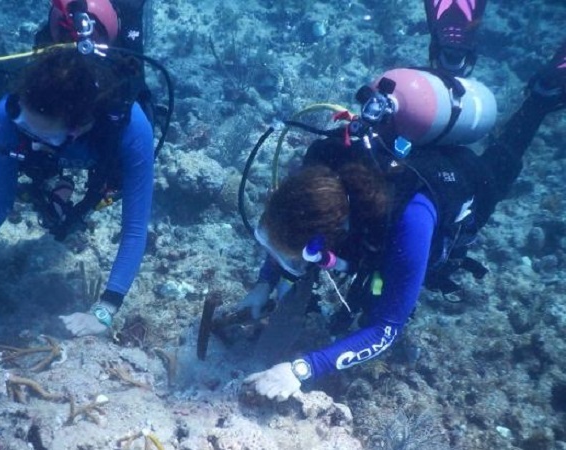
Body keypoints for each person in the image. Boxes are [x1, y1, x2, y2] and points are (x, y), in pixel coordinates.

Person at [241, 0, 566, 400]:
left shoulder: (411, 222)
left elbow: (386, 329)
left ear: (333, 234)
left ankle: (542, 95)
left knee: (501, 163)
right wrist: (264, 283)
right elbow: (287, 229)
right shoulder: (321, 162)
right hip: (399, 157)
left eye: (303, 253)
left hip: (454, 181)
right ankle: (451, 55)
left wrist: (302, 369)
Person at [0, 0, 156, 337]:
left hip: (103, 140)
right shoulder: (9, 112)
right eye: (24, 125)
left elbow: (134, 229)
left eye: (44, 135)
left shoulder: (132, 128)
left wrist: (105, 310)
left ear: (77, 129)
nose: (31, 140)